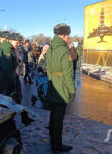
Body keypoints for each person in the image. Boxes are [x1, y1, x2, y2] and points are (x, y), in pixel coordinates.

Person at [46, 23, 75, 152]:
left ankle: (52, 140)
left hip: (52, 85)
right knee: (58, 119)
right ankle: (57, 145)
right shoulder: (64, 50)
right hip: (62, 87)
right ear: (63, 35)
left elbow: (48, 69)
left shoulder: (51, 49)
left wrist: (51, 80)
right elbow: (68, 74)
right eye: (68, 36)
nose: (69, 38)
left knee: (53, 116)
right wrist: (72, 91)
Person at [0, 31, 18, 96]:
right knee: (5, 101)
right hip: (5, 81)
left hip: (3, 79)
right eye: (16, 42)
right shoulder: (6, 49)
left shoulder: (4, 47)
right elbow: (7, 68)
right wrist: (12, 82)